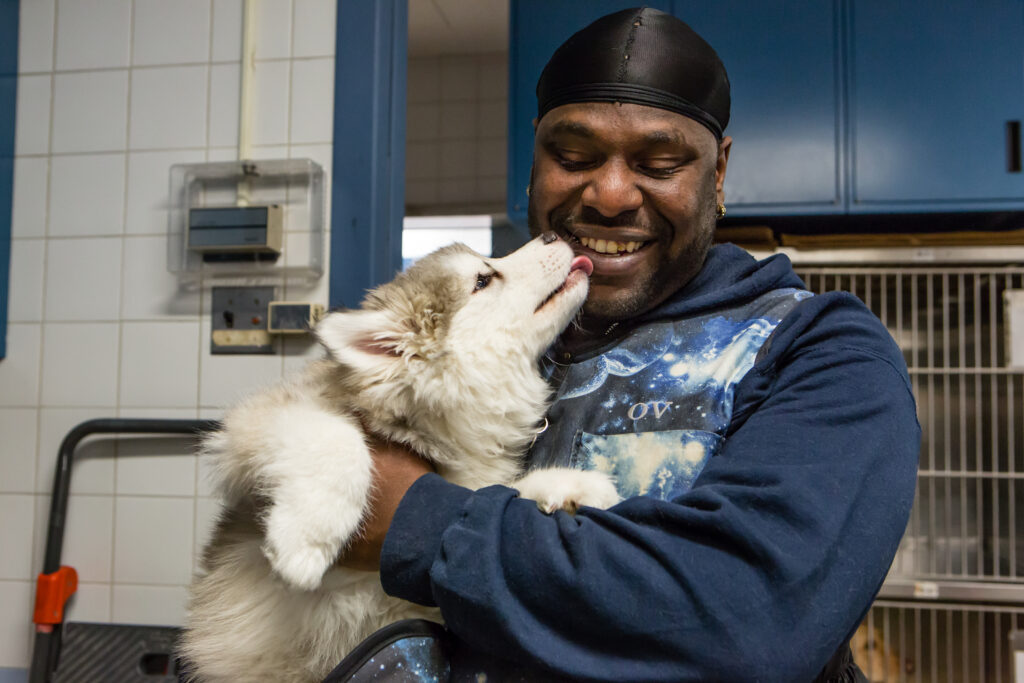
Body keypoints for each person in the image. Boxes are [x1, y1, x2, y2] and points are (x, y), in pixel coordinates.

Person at [339, 8, 920, 682]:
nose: (611, 194)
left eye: (660, 161)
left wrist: (420, 523)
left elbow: (745, 616)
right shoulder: (481, 335)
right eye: (574, 156)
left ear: (718, 173)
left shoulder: (819, 350)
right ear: (534, 157)